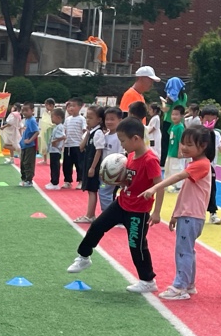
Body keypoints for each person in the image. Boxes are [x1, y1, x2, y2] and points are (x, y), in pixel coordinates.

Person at [66, 117, 160, 293]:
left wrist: (156, 212)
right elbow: (130, 180)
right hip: (122, 203)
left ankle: (148, 280)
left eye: (123, 141)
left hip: (138, 211)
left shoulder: (150, 160)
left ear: (136, 139)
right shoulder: (129, 156)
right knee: (97, 226)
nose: (121, 145)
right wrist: (120, 181)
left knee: (136, 245)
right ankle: (84, 257)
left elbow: (159, 185)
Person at [145, 122, 216, 301]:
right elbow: (186, 194)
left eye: (189, 144)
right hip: (189, 215)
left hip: (192, 216)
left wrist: (155, 187)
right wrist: (176, 215)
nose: (183, 147)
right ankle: (188, 284)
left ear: (203, 146)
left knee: (183, 251)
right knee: (187, 250)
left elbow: (177, 177)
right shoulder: (197, 164)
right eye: (183, 143)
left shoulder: (201, 164)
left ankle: (180, 286)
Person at [76, 105, 106, 224]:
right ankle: (89, 214)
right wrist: (87, 133)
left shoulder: (98, 133)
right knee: (89, 190)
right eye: (87, 117)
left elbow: (99, 151)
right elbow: (81, 147)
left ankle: (90, 215)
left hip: (93, 165)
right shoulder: (91, 132)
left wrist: (93, 167)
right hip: (87, 163)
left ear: (99, 120)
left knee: (92, 190)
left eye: (91, 118)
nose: (88, 120)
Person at [199, 106, 221, 218]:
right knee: (197, 190)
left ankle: (212, 212)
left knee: (211, 189)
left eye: (213, 120)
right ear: (201, 119)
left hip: (211, 167)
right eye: (207, 119)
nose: (209, 122)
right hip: (198, 166)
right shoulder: (197, 133)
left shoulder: (216, 134)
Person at [94, 106, 123, 211]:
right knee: (105, 193)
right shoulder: (105, 135)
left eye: (112, 119)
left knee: (105, 193)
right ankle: (109, 214)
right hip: (104, 170)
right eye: (107, 119)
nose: (109, 122)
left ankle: (108, 215)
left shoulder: (120, 137)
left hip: (114, 171)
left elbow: (121, 155)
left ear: (120, 120)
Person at [62, 98, 86, 186]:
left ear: (79, 107)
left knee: (79, 164)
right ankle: (67, 181)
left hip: (78, 145)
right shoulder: (67, 119)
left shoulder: (82, 119)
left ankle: (81, 181)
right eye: (70, 106)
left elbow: (84, 131)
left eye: (74, 106)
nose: (71, 108)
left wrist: (83, 143)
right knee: (67, 164)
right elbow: (64, 131)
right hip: (68, 145)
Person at [18, 102, 39, 186]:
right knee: (23, 163)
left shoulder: (32, 120)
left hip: (30, 146)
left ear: (32, 110)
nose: (24, 112)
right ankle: (24, 178)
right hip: (24, 146)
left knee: (28, 163)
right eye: (23, 110)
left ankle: (29, 180)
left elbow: (37, 132)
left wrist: (30, 140)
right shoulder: (27, 120)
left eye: (27, 110)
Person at [47, 107, 67, 188]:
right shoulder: (57, 126)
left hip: (56, 150)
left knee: (55, 166)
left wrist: (55, 141)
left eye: (52, 117)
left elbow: (63, 136)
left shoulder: (60, 127)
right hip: (53, 150)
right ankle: (53, 181)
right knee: (53, 166)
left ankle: (55, 183)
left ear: (58, 117)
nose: (51, 118)